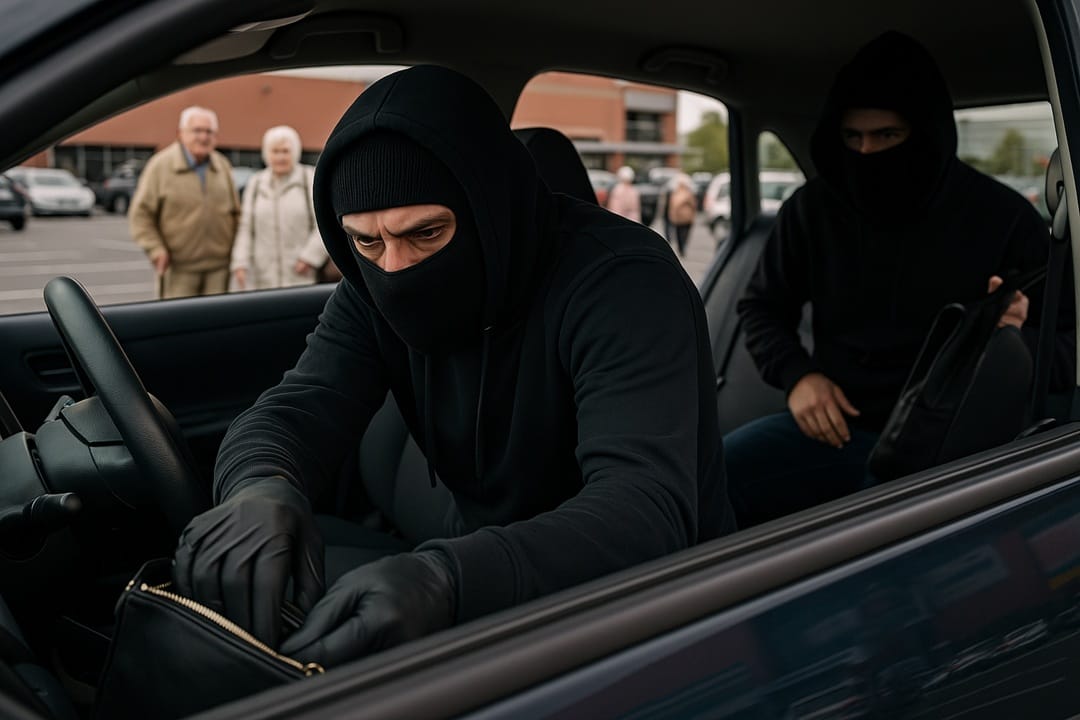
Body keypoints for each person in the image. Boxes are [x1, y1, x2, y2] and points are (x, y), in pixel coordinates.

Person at [172, 65, 735, 666]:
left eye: (427, 233)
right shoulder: (373, 287)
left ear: (487, 205)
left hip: (656, 611)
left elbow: (642, 509)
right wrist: (260, 482)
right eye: (366, 242)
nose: (395, 267)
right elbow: (299, 404)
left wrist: (449, 581)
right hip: (487, 579)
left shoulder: (622, 282)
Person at [725, 31, 1075, 529]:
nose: (866, 153)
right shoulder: (813, 210)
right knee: (709, 482)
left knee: (876, 538)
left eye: (886, 135)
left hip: (953, 444)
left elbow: (1068, 347)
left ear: (924, 132)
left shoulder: (1002, 219)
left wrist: (1014, 342)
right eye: (852, 137)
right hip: (840, 428)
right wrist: (797, 376)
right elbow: (760, 308)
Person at [130, 106, 240, 299]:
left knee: (217, 322)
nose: (204, 137)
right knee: (179, 323)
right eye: (197, 130)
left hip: (219, 269)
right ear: (180, 133)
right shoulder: (160, 166)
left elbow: (236, 213)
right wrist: (155, 249)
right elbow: (141, 214)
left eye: (209, 132)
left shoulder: (222, 166)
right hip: (178, 270)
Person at [231, 126, 328, 291]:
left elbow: (325, 222)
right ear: (266, 154)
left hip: (300, 274)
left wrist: (310, 257)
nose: (280, 157)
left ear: (296, 152)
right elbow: (246, 227)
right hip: (261, 277)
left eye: (285, 151)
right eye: (275, 151)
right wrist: (240, 263)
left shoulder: (309, 179)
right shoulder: (256, 182)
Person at [666, 173, 697, 257]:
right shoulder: (684, 193)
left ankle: (682, 248)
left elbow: (693, 205)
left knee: (681, 234)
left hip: (683, 217)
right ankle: (682, 248)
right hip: (682, 218)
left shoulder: (679, 193)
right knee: (682, 234)